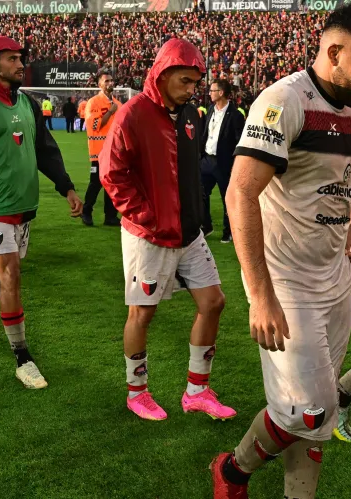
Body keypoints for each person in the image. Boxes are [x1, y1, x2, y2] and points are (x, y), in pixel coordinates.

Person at [209, 5, 351, 498]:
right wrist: (260, 297)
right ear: (334, 52)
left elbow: (344, 179)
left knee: (317, 412)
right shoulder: (283, 100)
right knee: (307, 409)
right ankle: (232, 471)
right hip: (286, 281)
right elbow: (240, 194)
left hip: (333, 276)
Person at [100, 39, 236, 422]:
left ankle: (197, 391)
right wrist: (146, 216)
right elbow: (112, 174)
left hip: (189, 233)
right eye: (185, 80)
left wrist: (195, 213)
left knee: (213, 303)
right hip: (149, 235)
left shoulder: (191, 114)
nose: (192, 89)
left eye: (196, 82)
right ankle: (137, 393)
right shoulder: (133, 113)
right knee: (142, 315)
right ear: (162, 73)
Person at [0, 36, 82, 388]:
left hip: (23, 205)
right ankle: (23, 358)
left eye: (20, 58)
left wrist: (66, 186)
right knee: (11, 275)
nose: (21, 64)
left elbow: (45, 148)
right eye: (12, 58)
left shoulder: (26, 101)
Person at [200, 78, 245, 243]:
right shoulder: (210, 109)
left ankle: (229, 231)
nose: (209, 93)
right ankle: (206, 225)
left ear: (221, 92)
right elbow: (206, 134)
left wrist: (235, 164)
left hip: (223, 163)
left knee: (228, 198)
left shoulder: (235, 115)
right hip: (207, 160)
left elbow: (239, 141)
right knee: (200, 194)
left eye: (212, 90)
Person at [82, 69, 121, 227]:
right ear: (99, 85)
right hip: (98, 152)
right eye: (107, 81)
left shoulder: (118, 104)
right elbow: (95, 125)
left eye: (112, 80)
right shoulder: (93, 102)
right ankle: (86, 212)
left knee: (112, 184)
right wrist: (110, 112)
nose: (110, 83)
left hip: (114, 152)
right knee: (96, 183)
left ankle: (110, 216)